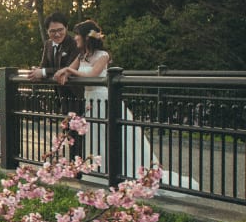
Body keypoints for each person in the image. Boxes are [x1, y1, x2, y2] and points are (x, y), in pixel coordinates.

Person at [55, 20, 198, 190]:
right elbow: (70, 70)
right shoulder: (81, 56)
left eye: (77, 34)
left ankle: (121, 173)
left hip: (104, 100)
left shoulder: (103, 55)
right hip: (90, 101)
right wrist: (64, 71)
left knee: (112, 136)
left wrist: (69, 71)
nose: (75, 37)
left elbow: (92, 74)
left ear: (86, 37)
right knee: (96, 137)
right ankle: (101, 172)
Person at [27, 13, 82, 158]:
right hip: (61, 95)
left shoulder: (75, 44)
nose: (57, 34)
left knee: (77, 133)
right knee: (68, 132)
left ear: (66, 28)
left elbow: (69, 68)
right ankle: (73, 166)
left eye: (60, 30)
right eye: (52, 31)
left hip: (77, 95)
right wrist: (37, 72)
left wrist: (43, 72)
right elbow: (43, 66)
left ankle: (77, 169)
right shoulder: (48, 45)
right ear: (47, 31)